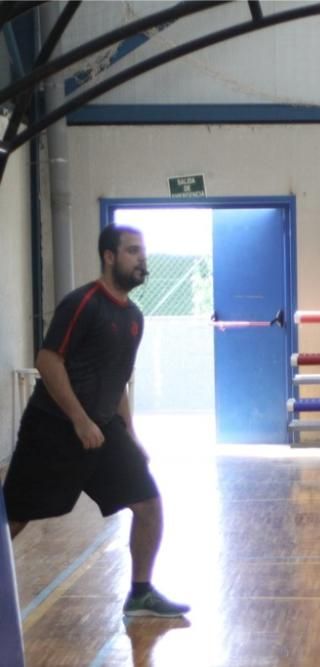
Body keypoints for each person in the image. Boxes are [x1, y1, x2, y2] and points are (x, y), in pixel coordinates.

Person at [2, 225, 189, 618]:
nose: (142, 260)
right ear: (109, 256)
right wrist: (79, 420)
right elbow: (47, 361)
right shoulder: (83, 302)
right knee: (14, 516)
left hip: (104, 431)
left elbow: (116, 377)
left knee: (149, 504)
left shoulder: (135, 317)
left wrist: (130, 434)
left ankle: (140, 594)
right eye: (133, 251)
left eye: (143, 252)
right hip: (53, 429)